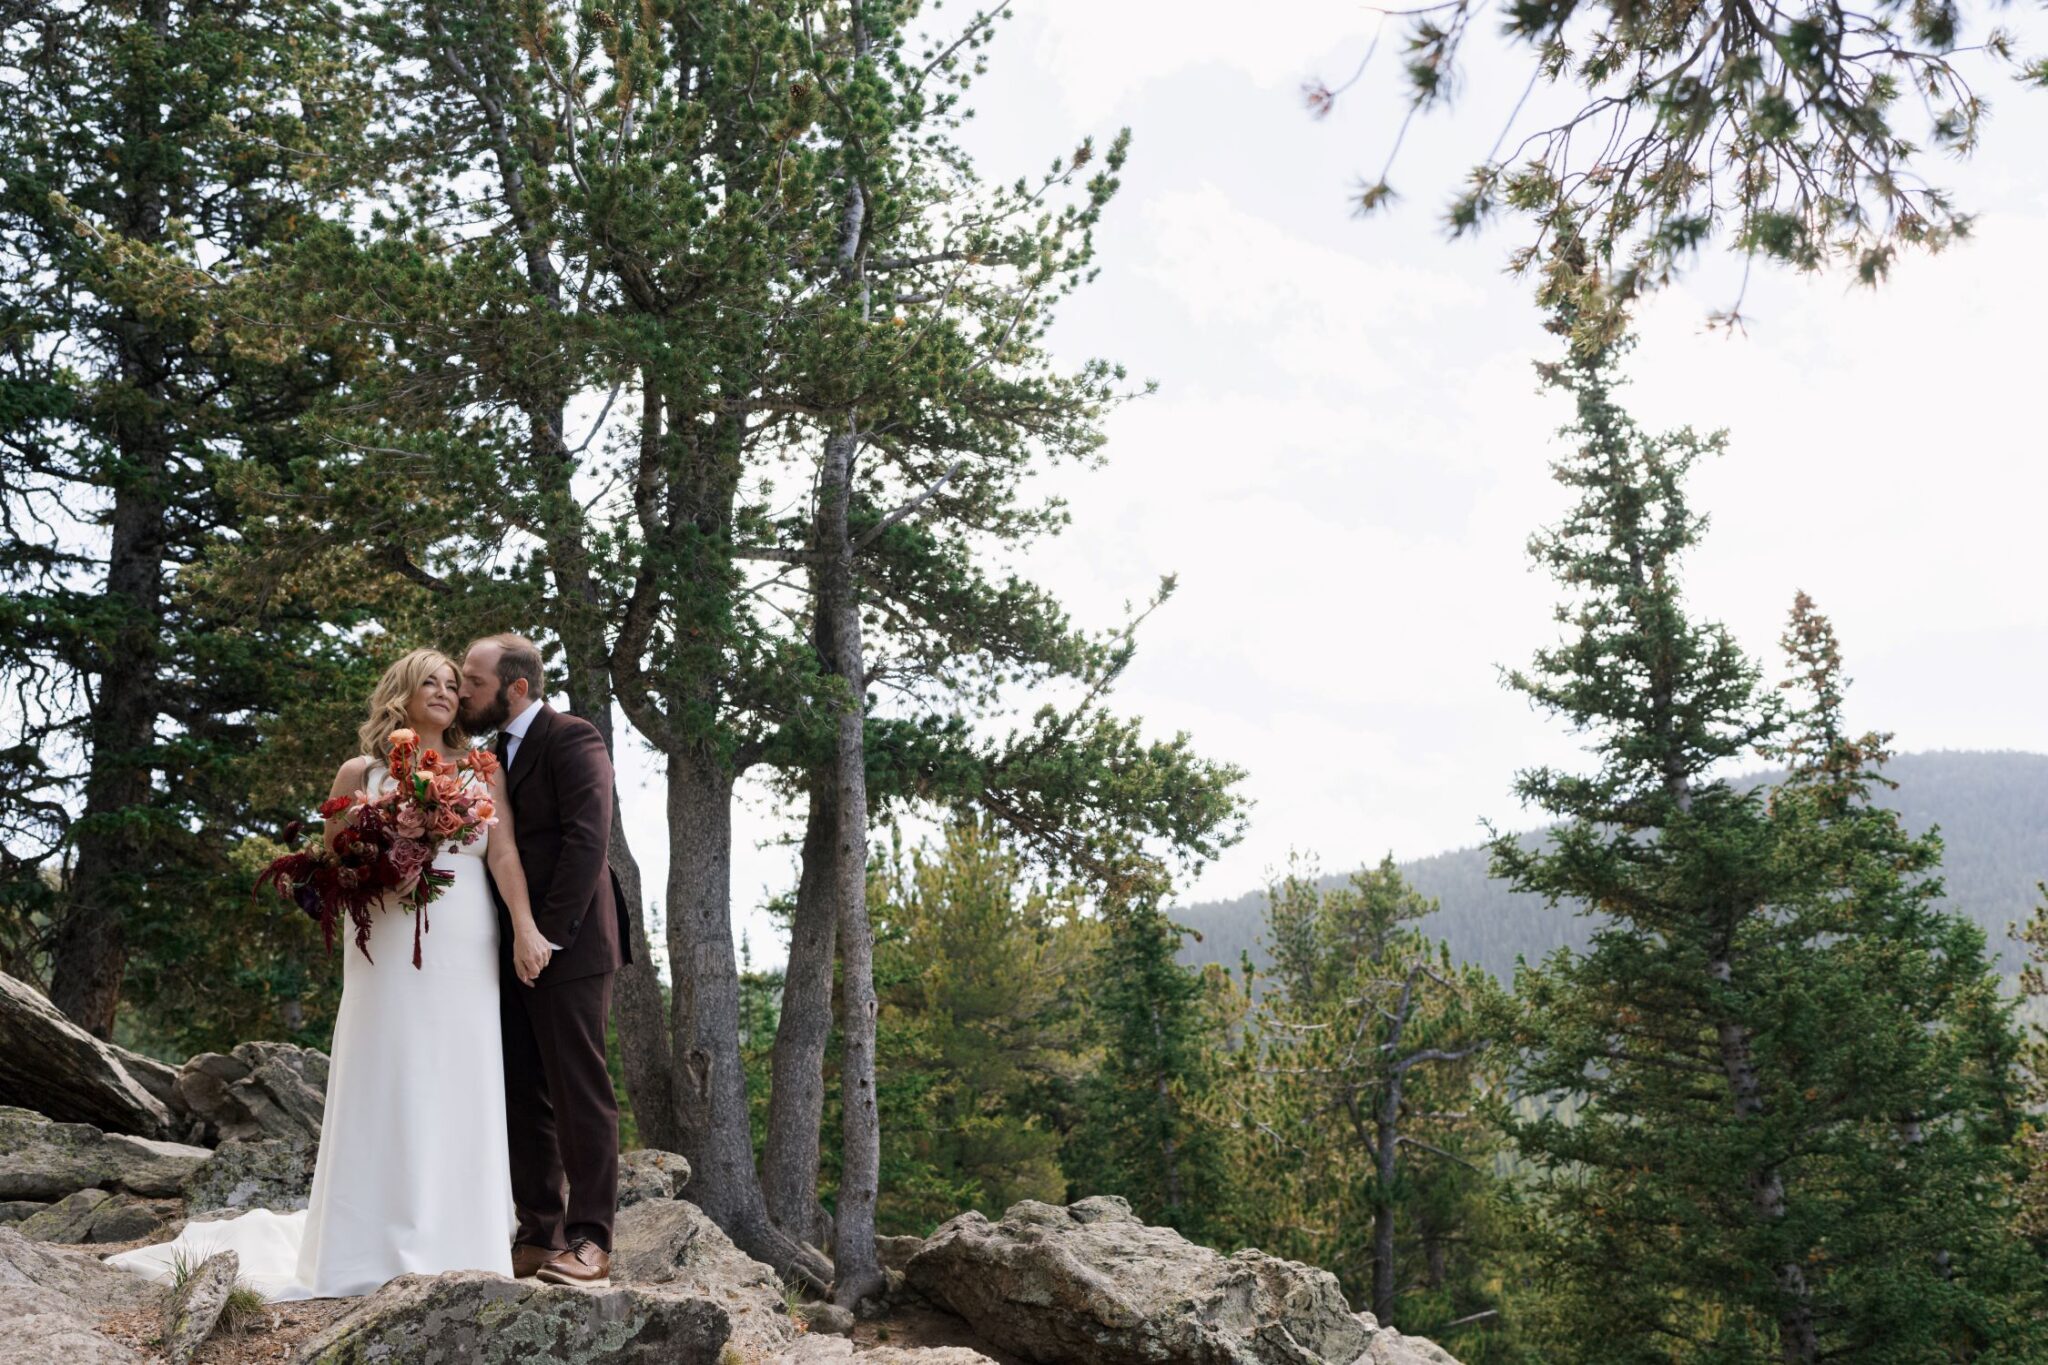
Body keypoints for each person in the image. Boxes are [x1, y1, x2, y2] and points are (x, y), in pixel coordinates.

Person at [109, 649, 551, 1299]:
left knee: (460, 1073)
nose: (443, 690)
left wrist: (524, 925)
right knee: (388, 1069)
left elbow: (505, 852)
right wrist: (386, 859)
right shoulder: (361, 771)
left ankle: (463, 1238)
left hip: (463, 939)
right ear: (400, 692)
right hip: (385, 941)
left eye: (452, 684)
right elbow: (336, 861)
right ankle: (369, 1242)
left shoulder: (480, 774)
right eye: (428, 679)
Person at [457, 633, 630, 1288]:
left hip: (572, 942)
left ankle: (590, 1240)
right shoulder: (487, 756)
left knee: (579, 1089)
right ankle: (537, 1233)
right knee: (522, 1090)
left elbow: (589, 839)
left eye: (473, 680)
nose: (464, 690)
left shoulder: (573, 737)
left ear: (517, 686)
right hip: (505, 946)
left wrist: (544, 937)